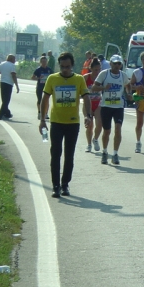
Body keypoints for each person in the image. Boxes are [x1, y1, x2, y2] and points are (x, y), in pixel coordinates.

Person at [39, 52, 92, 198]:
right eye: (62, 67)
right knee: (55, 154)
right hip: (56, 122)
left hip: (72, 123)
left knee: (69, 156)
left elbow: (86, 98)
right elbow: (45, 99)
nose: (65, 70)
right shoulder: (52, 78)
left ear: (72, 65)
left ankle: (65, 184)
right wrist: (42, 120)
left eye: (67, 67)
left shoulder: (79, 79)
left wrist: (88, 115)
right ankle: (55, 186)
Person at [92, 55, 131, 165]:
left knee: (118, 129)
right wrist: (104, 88)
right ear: (111, 64)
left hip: (118, 106)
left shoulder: (123, 75)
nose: (117, 66)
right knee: (107, 131)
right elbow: (94, 87)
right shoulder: (104, 74)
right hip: (106, 106)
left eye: (119, 64)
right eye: (115, 63)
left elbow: (128, 85)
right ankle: (104, 152)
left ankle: (115, 154)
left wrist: (128, 93)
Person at [0, 54, 20, 120]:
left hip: (2, 83)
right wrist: (17, 85)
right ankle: (0, 115)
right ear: (11, 59)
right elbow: (13, 75)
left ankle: (7, 113)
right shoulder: (12, 65)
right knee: (6, 100)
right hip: (9, 84)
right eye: (14, 59)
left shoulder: (2, 64)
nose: (15, 60)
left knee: (4, 100)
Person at [83, 57, 103, 152]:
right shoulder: (86, 77)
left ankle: (95, 139)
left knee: (99, 124)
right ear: (91, 68)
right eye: (96, 70)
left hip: (99, 103)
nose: (98, 71)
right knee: (89, 125)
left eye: (99, 69)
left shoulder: (102, 77)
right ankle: (89, 144)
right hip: (88, 103)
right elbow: (80, 89)